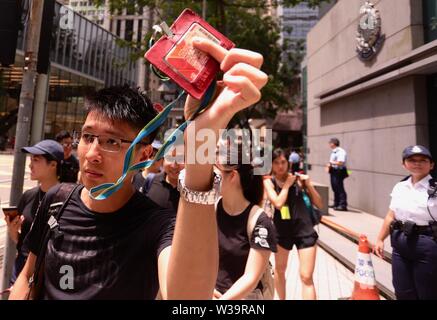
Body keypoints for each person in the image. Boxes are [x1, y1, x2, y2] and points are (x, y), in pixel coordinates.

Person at [9, 38, 268, 300]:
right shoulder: (56, 201)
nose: (93, 154)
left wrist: (201, 141)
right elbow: (27, 276)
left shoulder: (159, 226)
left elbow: (188, 298)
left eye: (111, 141)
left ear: (144, 154)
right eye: (88, 137)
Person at [214, 140, 277, 300]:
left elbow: (251, 277)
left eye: (215, 170)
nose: (210, 176)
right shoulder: (211, 210)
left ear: (232, 176)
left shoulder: (260, 221)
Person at [375, 145, 437, 300]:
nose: (417, 163)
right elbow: (391, 215)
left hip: (427, 243)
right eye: (412, 160)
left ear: (431, 165)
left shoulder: (435, 189)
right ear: (404, 164)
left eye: (423, 160)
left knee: (427, 291)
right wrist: (380, 239)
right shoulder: (400, 186)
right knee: (403, 291)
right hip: (400, 243)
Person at [264, 148, 322, 300]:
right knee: (280, 270)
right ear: (271, 164)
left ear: (288, 163)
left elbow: (319, 203)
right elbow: (277, 203)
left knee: (306, 276)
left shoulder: (299, 180)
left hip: (305, 230)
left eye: (283, 162)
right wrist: (287, 185)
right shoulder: (269, 183)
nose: (280, 166)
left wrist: (308, 185)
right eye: (276, 162)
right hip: (282, 232)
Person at [4, 140, 64, 285]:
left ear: (53, 165)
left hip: (47, 274)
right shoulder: (28, 196)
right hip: (21, 269)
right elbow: (23, 242)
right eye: (31, 160)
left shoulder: (66, 199)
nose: (30, 165)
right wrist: (13, 231)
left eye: (36, 160)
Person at [133, 147, 184, 213]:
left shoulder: (191, 190)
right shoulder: (150, 180)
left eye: (180, 159)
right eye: (170, 158)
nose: (174, 165)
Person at [326, 137, 348, 211]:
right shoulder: (334, 151)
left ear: (333, 143)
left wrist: (331, 163)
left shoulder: (341, 151)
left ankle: (343, 205)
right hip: (333, 170)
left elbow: (341, 162)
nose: (329, 144)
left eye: (330, 143)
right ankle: (336, 203)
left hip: (339, 171)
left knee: (339, 187)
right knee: (334, 187)